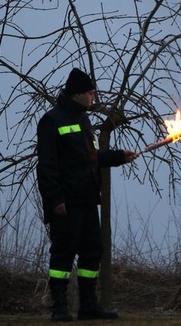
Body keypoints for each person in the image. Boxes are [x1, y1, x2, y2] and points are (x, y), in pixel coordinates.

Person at [37, 68, 139, 322]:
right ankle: (59, 307)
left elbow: (91, 158)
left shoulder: (84, 120)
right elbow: (46, 166)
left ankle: (88, 306)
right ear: (78, 93)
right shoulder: (52, 121)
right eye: (91, 93)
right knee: (63, 252)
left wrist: (118, 157)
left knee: (93, 250)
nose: (94, 97)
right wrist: (55, 200)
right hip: (66, 203)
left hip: (87, 199)